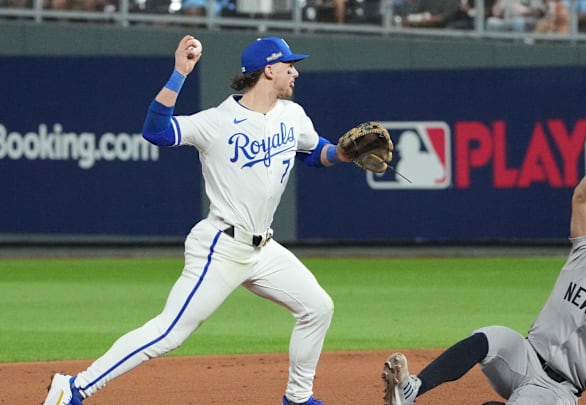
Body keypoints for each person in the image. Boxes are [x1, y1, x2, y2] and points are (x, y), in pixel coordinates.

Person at [42, 34, 357, 405]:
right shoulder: (217, 122)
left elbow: (314, 151)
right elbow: (156, 131)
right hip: (221, 247)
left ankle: (298, 398)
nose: (295, 72)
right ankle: (75, 387)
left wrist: (343, 153)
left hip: (264, 249)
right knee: (168, 333)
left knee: (318, 308)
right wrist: (179, 73)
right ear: (269, 70)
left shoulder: (293, 114)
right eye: (290, 65)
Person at [382, 136, 586, 405]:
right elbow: (584, 198)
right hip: (524, 356)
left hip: (557, 389)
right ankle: (411, 389)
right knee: (490, 337)